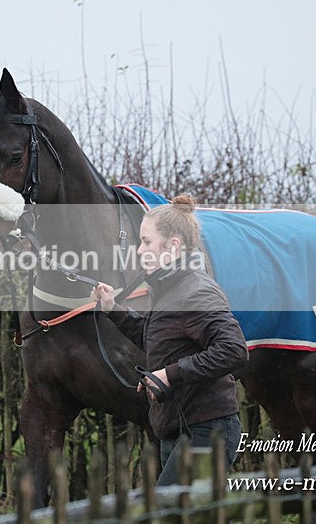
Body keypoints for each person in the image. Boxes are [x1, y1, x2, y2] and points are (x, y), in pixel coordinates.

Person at [91, 194, 248, 485]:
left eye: (147, 242)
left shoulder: (196, 292)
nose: (140, 251)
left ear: (173, 245)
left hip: (208, 428)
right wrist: (113, 309)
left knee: (166, 513)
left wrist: (170, 374)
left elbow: (234, 350)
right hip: (176, 427)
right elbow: (156, 340)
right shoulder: (167, 288)